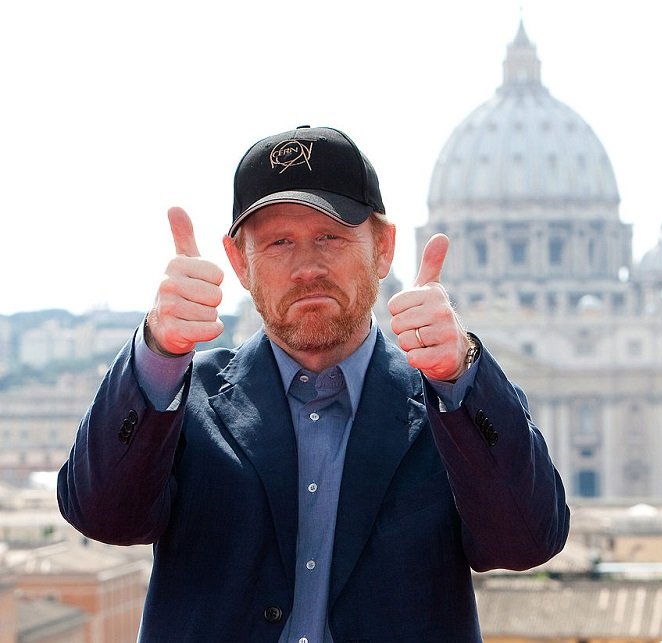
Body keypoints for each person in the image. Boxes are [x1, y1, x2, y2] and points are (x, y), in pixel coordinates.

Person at [58, 125, 569, 642]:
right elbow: (104, 518)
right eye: (279, 243)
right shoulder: (182, 399)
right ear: (240, 263)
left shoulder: (454, 403)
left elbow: (524, 543)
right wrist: (159, 352)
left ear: (383, 249)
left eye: (331, 236)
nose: (307, 267)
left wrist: (459, 376)